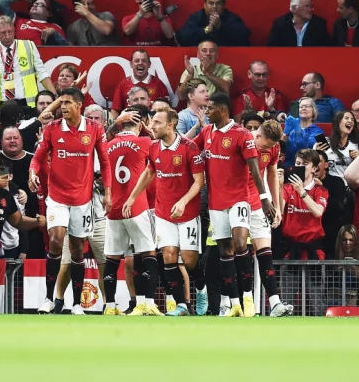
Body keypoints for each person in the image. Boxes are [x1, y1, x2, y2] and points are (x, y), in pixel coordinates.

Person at [29, 87, 110, 314]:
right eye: (60, 102)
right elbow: (37, 158)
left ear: (78, 105)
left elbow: (105, 162)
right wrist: (32, 173)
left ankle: (76, 304)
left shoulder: (94, 129)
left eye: (66, 103)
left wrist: (109, 194)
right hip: (57, 197)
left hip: (83, 200)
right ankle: (49, 298)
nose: (62, 107)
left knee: (77, 250)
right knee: (55, 241)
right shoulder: (52, 129)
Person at [199, 93, 278, 317]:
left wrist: (265, 199)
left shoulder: (242, 135)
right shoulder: (206, 133)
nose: (207, 110)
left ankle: (248, 299)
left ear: (222, 110)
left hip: (239, 199)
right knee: (225, 251)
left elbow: (255, 168)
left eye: (210, 107)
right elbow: (190, 149)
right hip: (216, 202)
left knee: (241, 244)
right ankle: (233, 304)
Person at [125, 106, 205, 315]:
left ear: (171, 124)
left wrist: (184, 201)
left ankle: (201, 286)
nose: (152, 126)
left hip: (188, 213)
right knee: (169, 255)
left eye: (157, 122)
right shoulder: (153, 147)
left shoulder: (189, 147)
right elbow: (149, 171)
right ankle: (181, 305)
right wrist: (132, 197)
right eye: (152, 122)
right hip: (163, 212)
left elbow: (199, 182)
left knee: (189, 261)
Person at [98, 104, 162, 315]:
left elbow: (98, 147)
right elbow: (160, 147)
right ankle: (148, 303)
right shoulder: (144, 142)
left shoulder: (108, 144)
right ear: (141, 123)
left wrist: (113, 126)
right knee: (148, 254)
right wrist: (148, 130)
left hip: (113, 208)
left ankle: (109, 307)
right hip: (137, 206)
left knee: (113, 258)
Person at [0, 16, 54, 124]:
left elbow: (42, 73)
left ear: (14, 30)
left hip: (26, 104)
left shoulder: (29, 46)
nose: (8, 36)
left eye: (10, 31)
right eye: (3, 33)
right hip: (2, 106)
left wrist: (55, 97)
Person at [177, 0, 251, 47]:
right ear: (205, 5)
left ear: (223, 5)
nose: (214, 6)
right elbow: (182, 37)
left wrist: (220, 26)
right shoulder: (196, 17)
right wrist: (206, 30)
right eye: (211, 3)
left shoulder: (232, 18)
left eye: (218, 3)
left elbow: (244, 37)